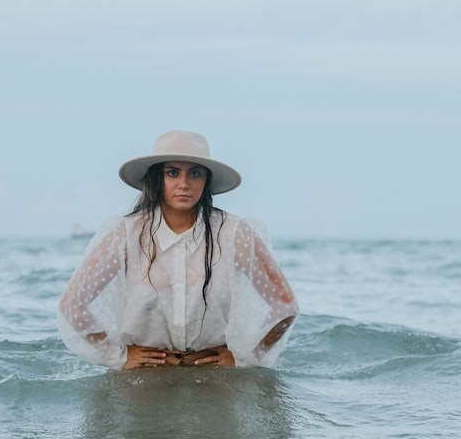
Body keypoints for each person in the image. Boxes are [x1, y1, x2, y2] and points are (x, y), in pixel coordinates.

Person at [58, 130, 299, 369]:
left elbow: (285, 306)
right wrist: (117, 355)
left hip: (214, 377)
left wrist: (246, 357)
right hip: (144, 376)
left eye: (195, 173)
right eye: (172, 173)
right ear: (156, 178)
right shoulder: (125, 234)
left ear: (206, 181)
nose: (184, 184)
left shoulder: (235, 234)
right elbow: (73, 305)